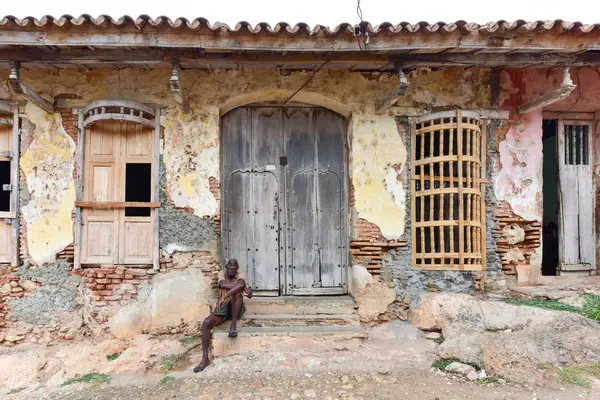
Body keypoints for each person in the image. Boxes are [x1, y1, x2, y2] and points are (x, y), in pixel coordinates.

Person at [193, 258, 252, 373]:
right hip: (223, 307)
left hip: (237, 307)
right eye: (230, 266)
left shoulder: (241, 274)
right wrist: (242, 288)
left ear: (237, 269)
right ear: (226, 267)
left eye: (234, 267)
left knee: (237, 295)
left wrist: (231, 292)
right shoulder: (221, 274)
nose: (232, 268)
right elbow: (223, 284)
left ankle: (233, 325)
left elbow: (237, 286)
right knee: (207, 323)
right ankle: (205, 359)